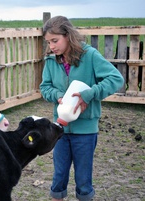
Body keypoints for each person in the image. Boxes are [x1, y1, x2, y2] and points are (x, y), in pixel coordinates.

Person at [39, 16, 124, 201]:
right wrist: (57, 96)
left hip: (86, 130)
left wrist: (90, 93)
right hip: (59, 128)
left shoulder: (90, 55)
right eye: (48, 42)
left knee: (83, 179)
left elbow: (116, 78)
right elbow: (44, 88)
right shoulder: (51, 60)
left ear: (68, 35)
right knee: (59, 176)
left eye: (55, 41)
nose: (52, 46)